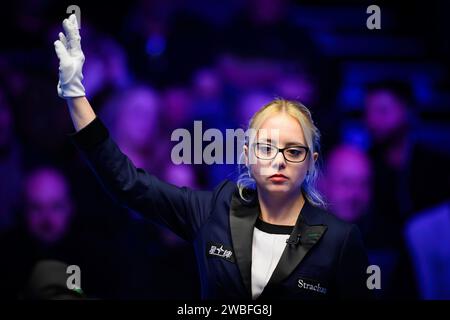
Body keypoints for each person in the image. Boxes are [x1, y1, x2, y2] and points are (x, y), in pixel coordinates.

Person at [53, 14, 371, 300]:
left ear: (309, 162)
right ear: (247, 156)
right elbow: (126, 181)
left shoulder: (339, 238)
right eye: (266, 146)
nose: (278, 159)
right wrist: (75, 96)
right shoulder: (211, 212)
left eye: (291, 149)